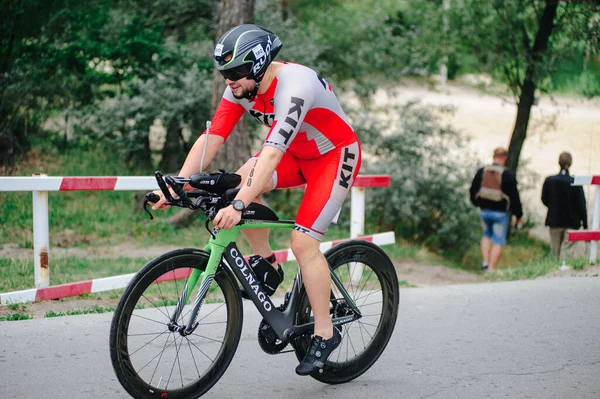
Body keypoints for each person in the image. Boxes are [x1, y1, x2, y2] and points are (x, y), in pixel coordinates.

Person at [151, 24, 361, 376]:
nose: (228, 81)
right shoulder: (242, 88)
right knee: (235, 188)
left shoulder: (295, 86)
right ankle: (268, 264)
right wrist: (178, 185)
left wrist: (237, 206)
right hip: (297, 154)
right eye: (223, 73)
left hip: (333, 156)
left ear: (259, 64)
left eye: (234, 72)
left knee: (303, 241)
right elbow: (213, 136)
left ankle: (325, 332)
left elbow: (271, 156)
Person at [469, 147, 523, 271]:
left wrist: (476, 203)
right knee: (498, 240)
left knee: (486, 235)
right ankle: (491, 269)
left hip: (484, 211)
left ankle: (485, 262)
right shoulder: (507, 174)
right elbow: (514, 197)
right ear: (505, 158)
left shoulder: (482, 171)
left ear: (494, 156)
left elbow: (473, 190)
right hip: (501, 213)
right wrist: (518, 215)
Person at [541, 152, 588, 260]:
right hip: (572, 222)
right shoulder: (575, 182)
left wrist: (553, 207)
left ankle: (553, 271)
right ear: (570, 163)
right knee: (568, 252)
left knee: (554, 251)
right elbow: (581, 204)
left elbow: (544, 199)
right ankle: (564, 269)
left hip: (554, 221)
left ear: (559, 162)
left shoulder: (549, 180)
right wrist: (585, 224)